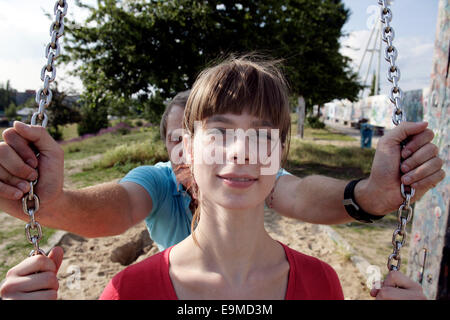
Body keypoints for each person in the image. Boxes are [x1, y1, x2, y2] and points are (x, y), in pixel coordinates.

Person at [0, 55, 433, 300]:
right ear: (184, 149)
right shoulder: (128, 291)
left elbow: (302, 193)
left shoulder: (322, 284)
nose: (240, 150)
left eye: (262, 134)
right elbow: (118, 206)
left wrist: (373, 196)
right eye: (220, 131)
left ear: (280, 153)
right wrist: (47, 205)